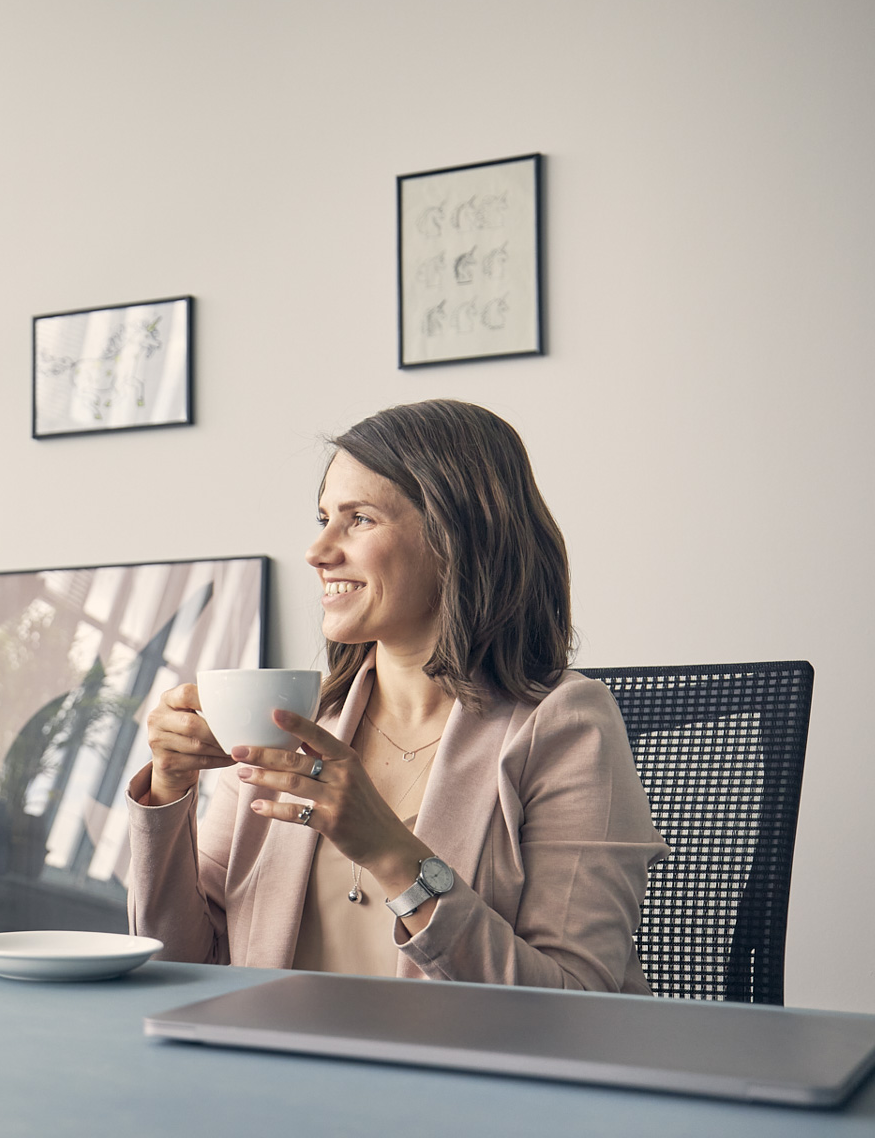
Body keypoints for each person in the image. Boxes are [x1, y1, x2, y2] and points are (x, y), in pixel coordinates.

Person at [126, 399, 667, 990]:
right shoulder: (290, 725)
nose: (318, 551)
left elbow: (578, 1003)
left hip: (456, 1077)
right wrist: (167, 792)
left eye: (358, 519)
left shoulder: (564, 723)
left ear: (458, 534)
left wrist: (390, 854)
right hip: (274, 1068)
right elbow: (177, 965)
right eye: (323, 517)